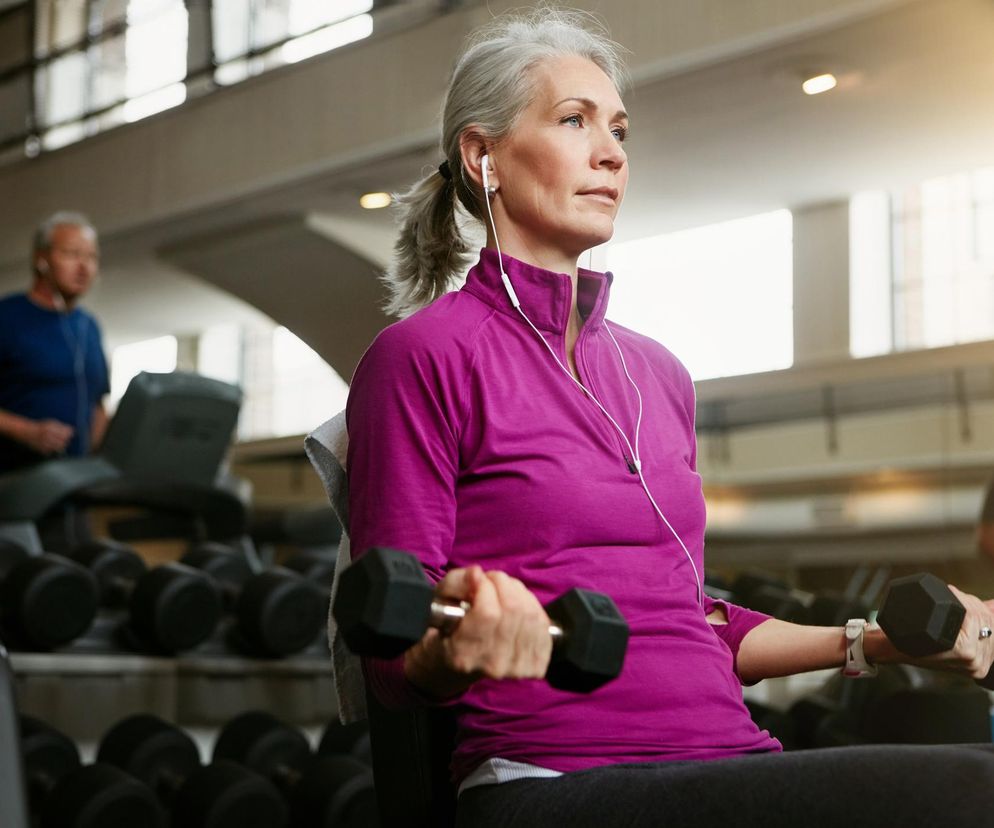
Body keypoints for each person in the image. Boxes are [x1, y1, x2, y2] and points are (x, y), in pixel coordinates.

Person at [343, 9, 994, 826]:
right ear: (484, 157)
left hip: (726, 760)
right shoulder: (423, 357)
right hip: (555, 780)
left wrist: (869, 642)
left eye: (618, 129)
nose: (612, 152)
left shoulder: (658, 373)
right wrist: (452, 651)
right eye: (573, 121)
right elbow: (390, 656)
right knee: (971, 792)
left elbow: (690, 618)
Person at [0, 212, 109, 474]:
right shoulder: (7, 317)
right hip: (13, 483)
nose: (84, 267)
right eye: (72, 254)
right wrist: (26, 431)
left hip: (75, 487)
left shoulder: (89, 326)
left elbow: (97, 405)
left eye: (91, 257)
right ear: (42, 260)